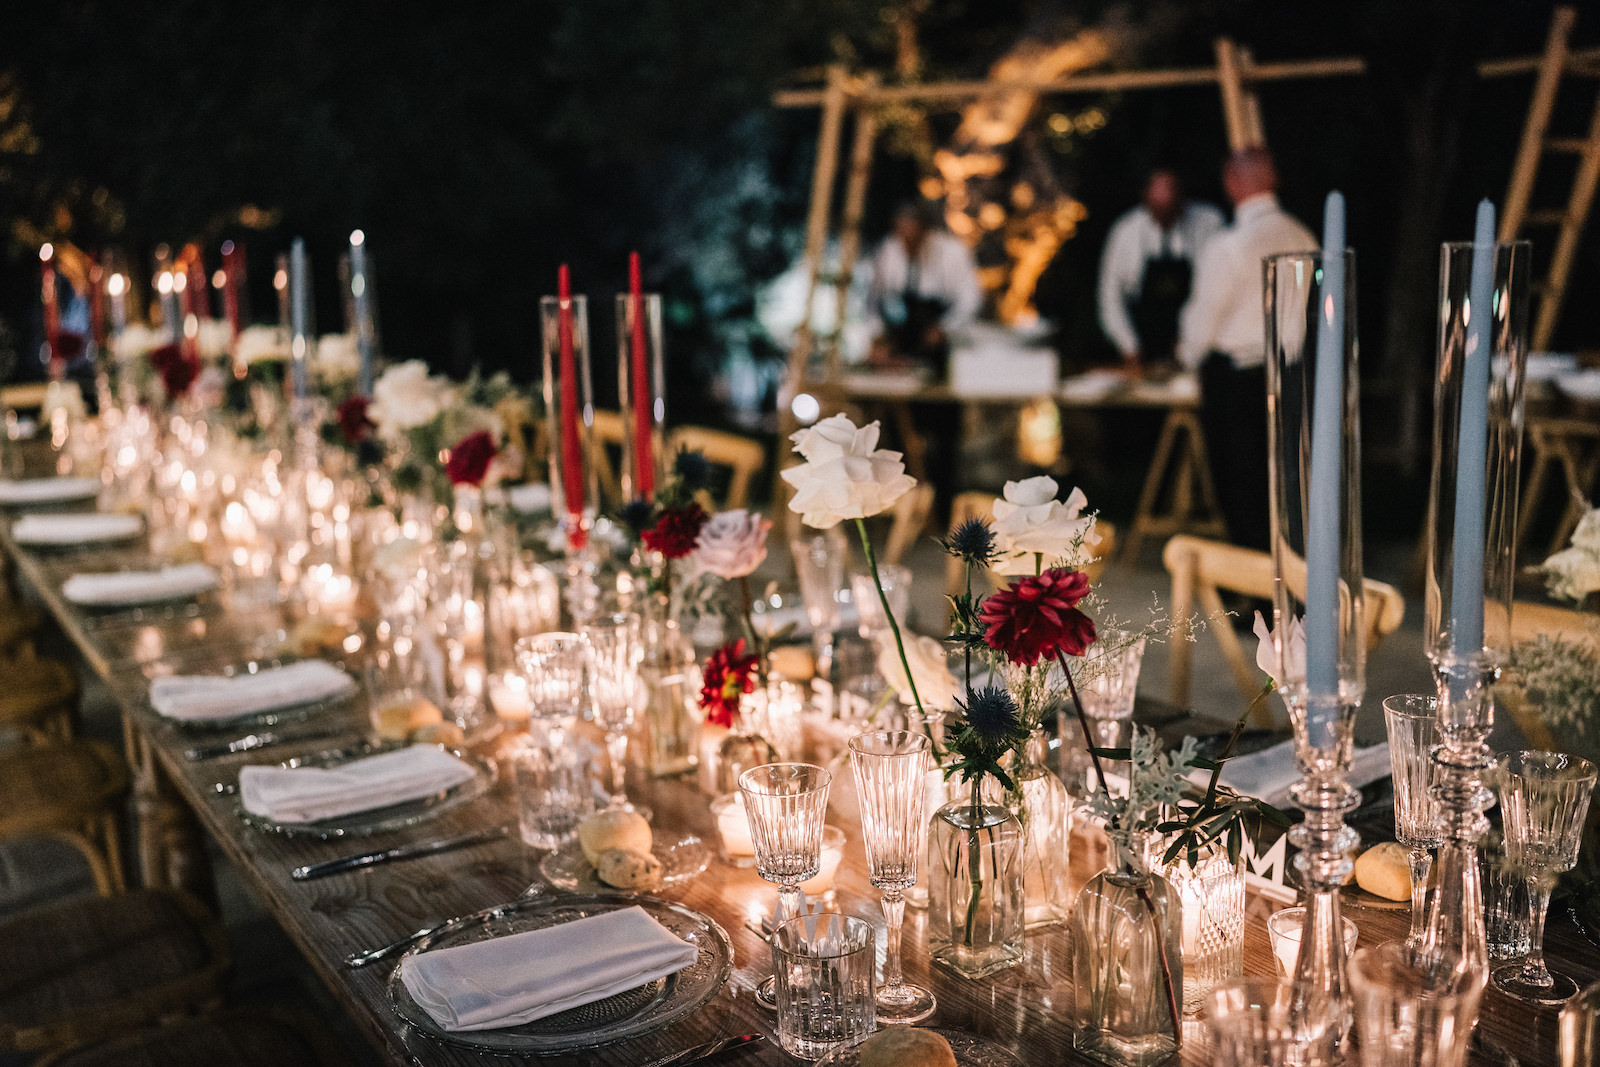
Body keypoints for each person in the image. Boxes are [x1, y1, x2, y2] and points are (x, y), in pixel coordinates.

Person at [1177, 147, 1316, 551]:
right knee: (1284, 483)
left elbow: (1205, 318)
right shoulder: (1301, 234)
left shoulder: (1230, 245)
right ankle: (1288, 578)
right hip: (1289, 371)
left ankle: (1251, 591)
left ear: (1232, 183)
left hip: (1237, 379)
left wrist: (1185, 357)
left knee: (1241, 488)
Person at [1097, 168, 1224, 368]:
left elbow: (1213, 292)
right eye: (1158, 211)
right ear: (1145, 201)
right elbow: (1110, 297)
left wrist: (1189, 345)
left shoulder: (1209, 223)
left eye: (1171, 211)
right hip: (1143, 344)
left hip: (1196, 344)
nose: (1165, 219)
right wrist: (1128, 346)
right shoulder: (1125, 232)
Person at [865, 201, 982, 377]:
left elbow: (970, 300)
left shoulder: (952, 252)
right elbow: (874, 300)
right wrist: (878, 333)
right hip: (903, 338)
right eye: (901, 234)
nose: (906, 243)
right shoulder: (889, 250)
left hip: (942, 345)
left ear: (926, 231)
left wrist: (945, 328)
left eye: (912, 236)